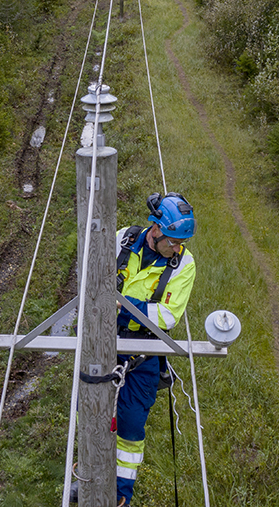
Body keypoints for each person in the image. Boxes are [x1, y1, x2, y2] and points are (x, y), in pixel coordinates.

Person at [113, 192, 197, 507]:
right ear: (156, 228)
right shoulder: (123, 239)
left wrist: (119, 305)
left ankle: (121, 495)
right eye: (173, 241)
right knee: (90, 408)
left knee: (131, 423)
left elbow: (167, 315)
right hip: (105, 339)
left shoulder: (183, 264)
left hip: (144, 350)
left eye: (181, 242)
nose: (177, 248)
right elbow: (94, 280)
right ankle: (90, 473)